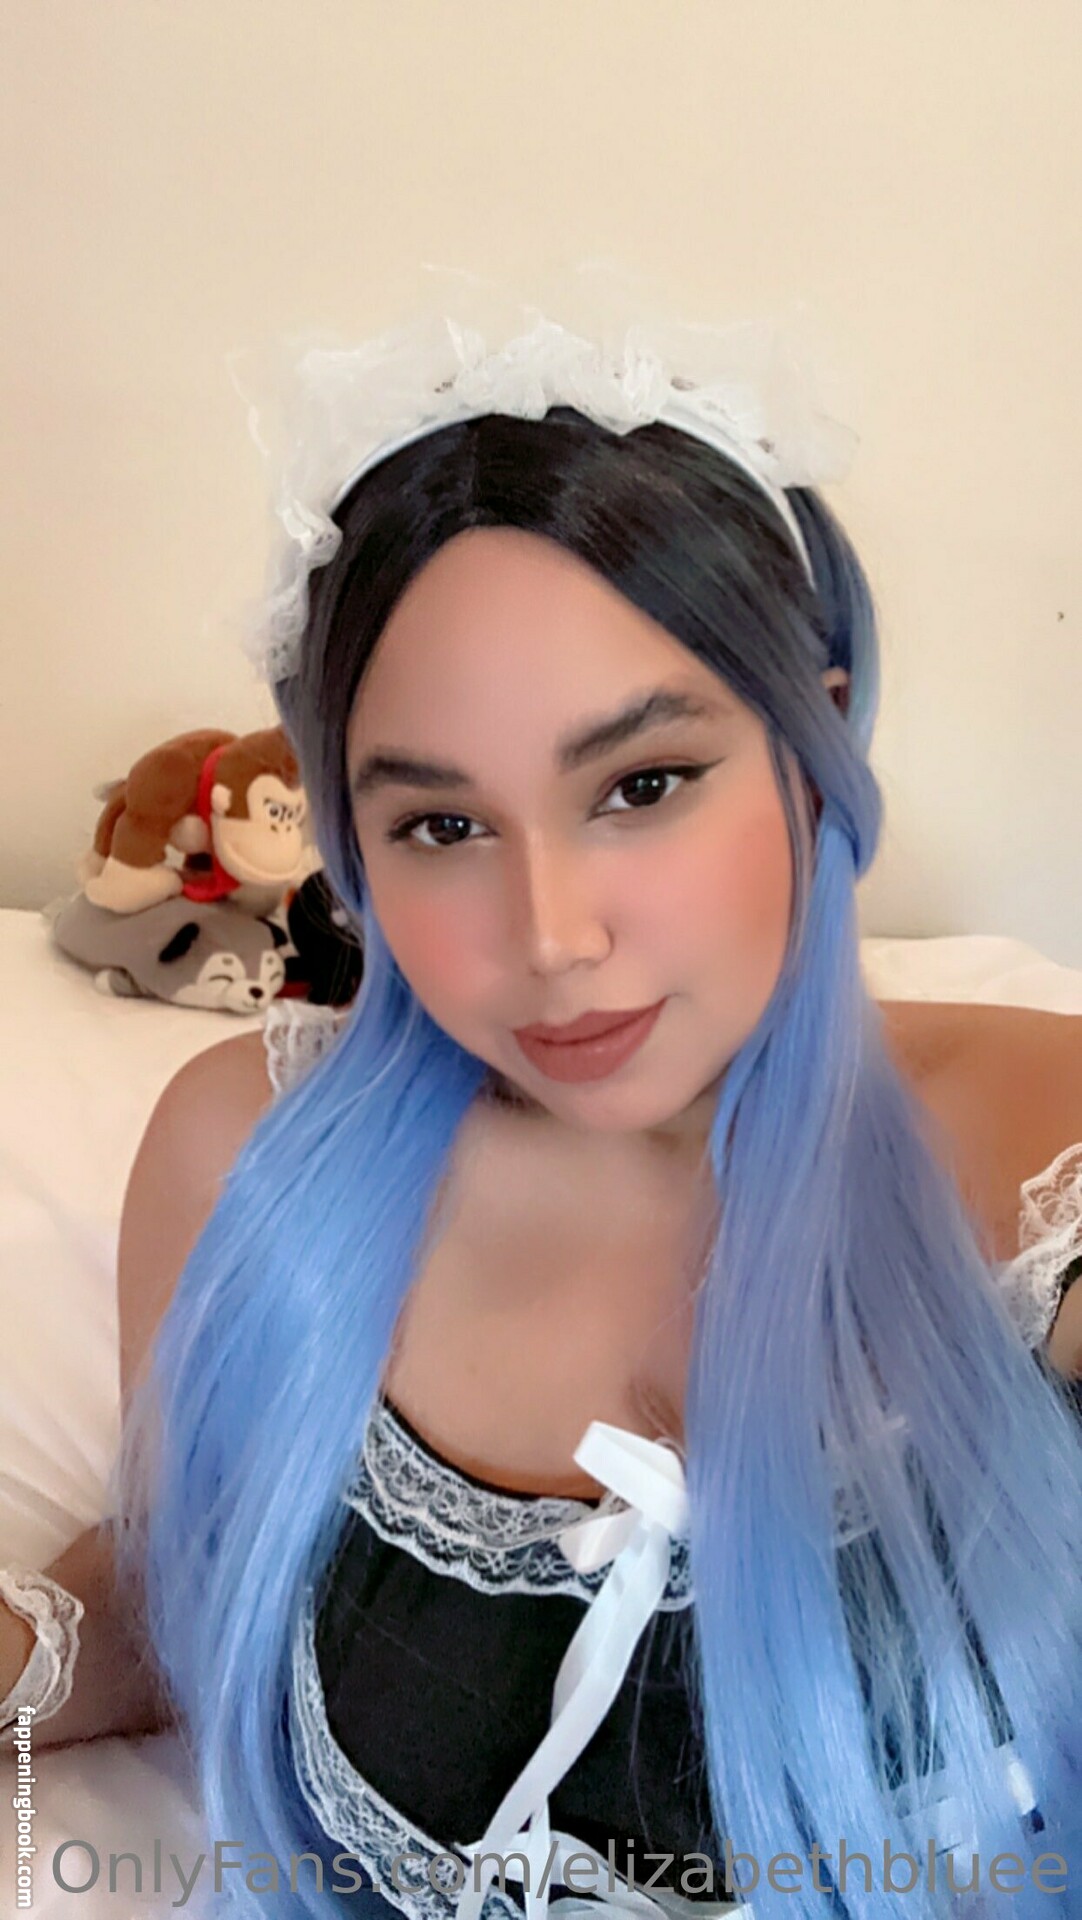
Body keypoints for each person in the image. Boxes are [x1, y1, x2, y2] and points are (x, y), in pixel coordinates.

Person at [3, 309, 1082, 1920]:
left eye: (641, 785)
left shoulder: (1044, 1163)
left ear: (809, 747)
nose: (552, 934)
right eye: (441, 824)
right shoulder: (254, 1162)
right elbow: (194, 1582)